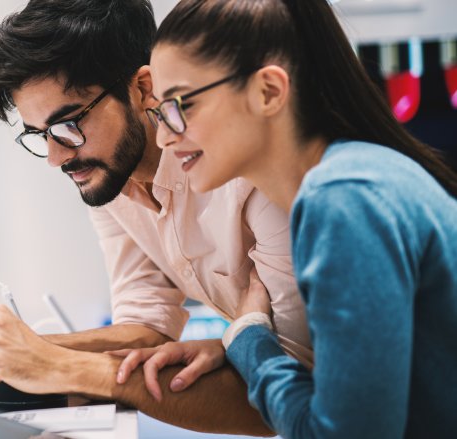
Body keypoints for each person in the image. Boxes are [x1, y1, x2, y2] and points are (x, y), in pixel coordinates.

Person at [0, 0, 310, 433]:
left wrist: (48, 361)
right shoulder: (112, 179)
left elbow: (295, 385)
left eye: (68, 124)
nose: (56, 157)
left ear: (142, 88)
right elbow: (146, 327)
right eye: (40, 135)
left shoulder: (248, 178)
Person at [115, 0, 457, 437]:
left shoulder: (343, 201)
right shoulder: (354, 180)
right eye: (160, 113)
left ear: (269, 92)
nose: (163, 135)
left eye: (180, 105)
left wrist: (248, 340)